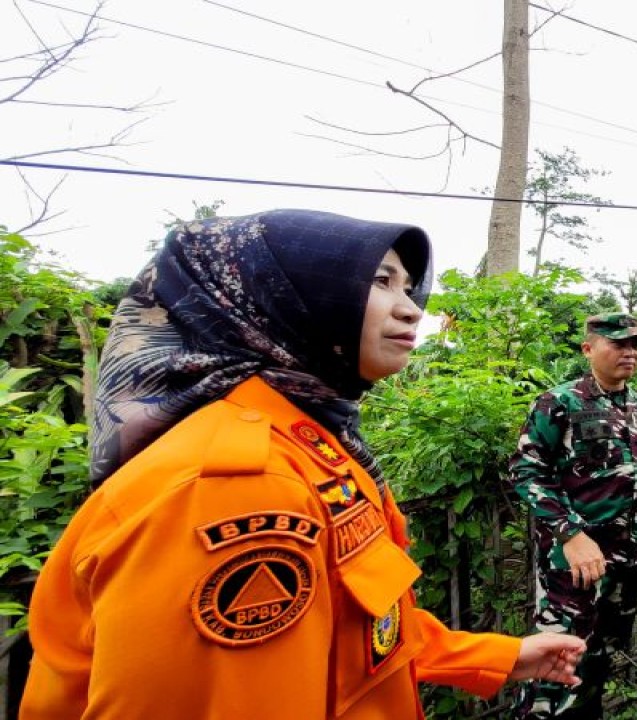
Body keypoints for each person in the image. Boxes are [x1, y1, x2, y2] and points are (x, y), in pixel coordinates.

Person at [19, 209, 585, 719]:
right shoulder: (238, 487)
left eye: (409, 286)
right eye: (379, 281)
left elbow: (355, 633)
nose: (412, 308)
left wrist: (497, 655)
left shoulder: (310, 442)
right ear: (282, 297)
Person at [509, 313, 637, 719]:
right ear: (588, 349)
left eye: (636, 344)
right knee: (555, 664)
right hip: (573, 565)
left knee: (599, 658)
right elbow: (526, 471)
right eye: (618, 343)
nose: (630, 352)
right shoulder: (560, 403)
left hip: (626, 560)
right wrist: (570, 535)